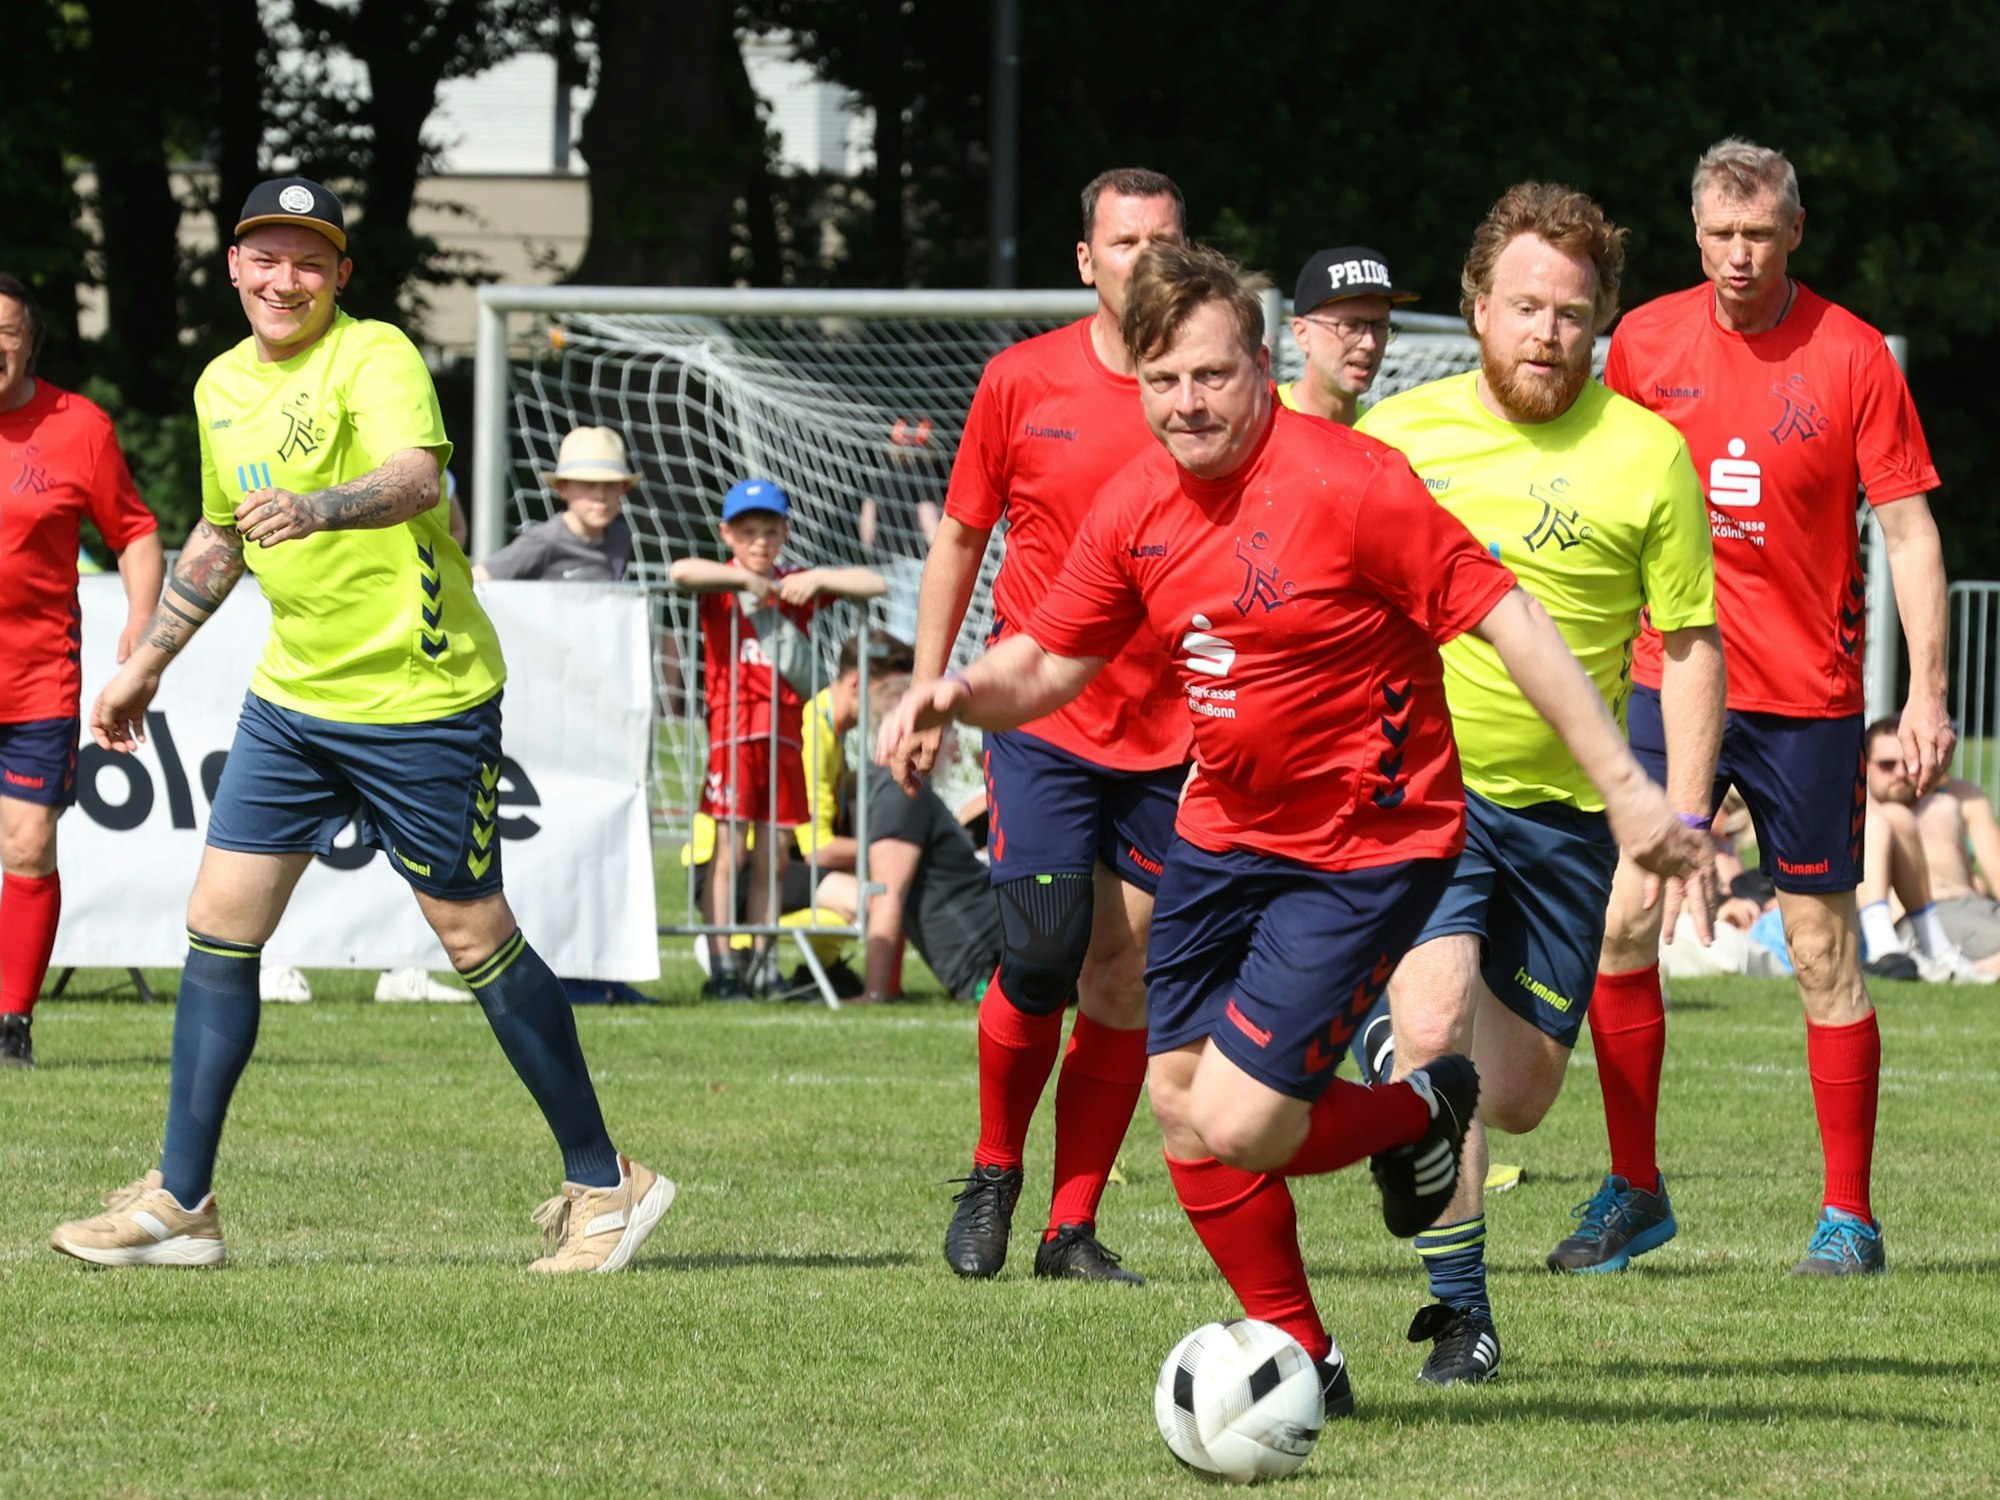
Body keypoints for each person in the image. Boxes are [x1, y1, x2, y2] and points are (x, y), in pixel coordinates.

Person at [878, 240, 1710, 1411]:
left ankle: (1413, 1113)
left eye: (1211, 376)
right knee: (1179, 1105)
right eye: (1163, 382)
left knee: (1239, 1117)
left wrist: (1629, 788)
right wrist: (955, 691)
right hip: (1220, 832)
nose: (1186, 404)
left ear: (1262, 366)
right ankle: (1306, 1357)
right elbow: (1052, 657)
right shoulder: (1134, 504)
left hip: (1365, 844)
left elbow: (1506, 620)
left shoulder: (1353, 484)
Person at [49, 177, 671, 1273]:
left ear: (340, 276)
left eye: (309, 262)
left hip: (417, 698)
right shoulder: (220, 385)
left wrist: (322, 504)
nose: (285, 280)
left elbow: (413, 476)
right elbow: (221, 534)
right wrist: (146, 660)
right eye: (266, 257)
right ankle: (182, 1205)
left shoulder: (374, 354)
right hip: (294, 700)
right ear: (235, 265)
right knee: (217, 927)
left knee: (469, 935)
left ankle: (605, 1183)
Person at [1564, 137, 1956, 1278]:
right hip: (1664, 677)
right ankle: (1632, 1190)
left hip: (1805, 698)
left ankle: (1847, 1218)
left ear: (1792, 234)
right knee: (1623, 925)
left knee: (1824, 946)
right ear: (1694, 237)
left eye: (1757, 235)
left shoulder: (1849, 355)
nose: (1736, 257)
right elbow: (1599, 501)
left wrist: (1924, 694)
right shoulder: (1639, 344)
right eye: (1717, 236)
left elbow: (1908, 530)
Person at [1351, 182, 1724, 1384]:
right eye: (1521, 307)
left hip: (1566, 822)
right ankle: (1461, 1314)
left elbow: (1688, 644)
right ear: (1474, 308)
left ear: (1598, 321)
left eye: (1568, 313)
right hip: (1426, 794)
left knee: (1510, 1097)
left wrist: (1684, 816)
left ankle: (1384, 1063)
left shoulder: (1647, 456)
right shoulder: (1399, 437)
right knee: (1433, 1017)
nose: (1543, 334)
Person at [890, 167, 1192, 1285]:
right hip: (1044, 719)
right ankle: (991, 1172)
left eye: (1164, 239)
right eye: (1123, 242)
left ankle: (1071, 1228)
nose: (1145, 259)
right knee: (1042, 950)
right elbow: (960, 542)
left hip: (1174, 733)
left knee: (1124, 978)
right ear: (1086, 259)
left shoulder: (1212, 386)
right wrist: (929, 693)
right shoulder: (1021, 381)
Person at [0, 273, 164, 1069]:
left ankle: (11, 1026)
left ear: (31, 341)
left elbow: (133, 531)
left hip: (37, 679)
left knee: (28, 845)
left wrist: (142, 620)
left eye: (5, 330)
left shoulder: (80, 426)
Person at [670, 478, 885, 998]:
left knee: (775, 854)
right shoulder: (721, 581)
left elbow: (873, 584)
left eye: (770, 531)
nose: (760, 542)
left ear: (785, 533)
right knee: (729, 851)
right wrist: (743, 582)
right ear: (728, 534)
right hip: (734, 731)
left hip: (786, 735)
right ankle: (723, 963)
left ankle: (763, 964)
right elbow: (680, 571)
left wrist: (820, 581)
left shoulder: (794, 582)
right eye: (748, 532)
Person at [817, 670, 1004, 1004]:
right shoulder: (898, 791)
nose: (953, 738)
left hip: (999, 952)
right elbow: (887, 894)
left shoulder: (900, 789)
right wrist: (875, 993)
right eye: (943, 725)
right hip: (990, 963)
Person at [1858, 716, 1992, 982]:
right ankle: (1909, 953)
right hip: (1930, 921)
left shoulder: (1953, 802)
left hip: (1978, 910)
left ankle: (1954, 965)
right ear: (1865, 767)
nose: (1900, 773)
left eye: (1908, 762)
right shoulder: (1868, 818)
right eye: (1887, 765)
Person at [474, 425, 635, 584]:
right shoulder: (543, 541)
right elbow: (477, 578)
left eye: (611, 484)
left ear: (624, 488)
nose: (601, 495)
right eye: (589, 484)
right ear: (562, 488)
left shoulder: (621, 538)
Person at [1280, 246, 1417, 425]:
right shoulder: (1260, 420)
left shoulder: (1380, 436)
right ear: (1302, 333)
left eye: (1380, 326)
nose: (1370, 343)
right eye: (1351, 326)